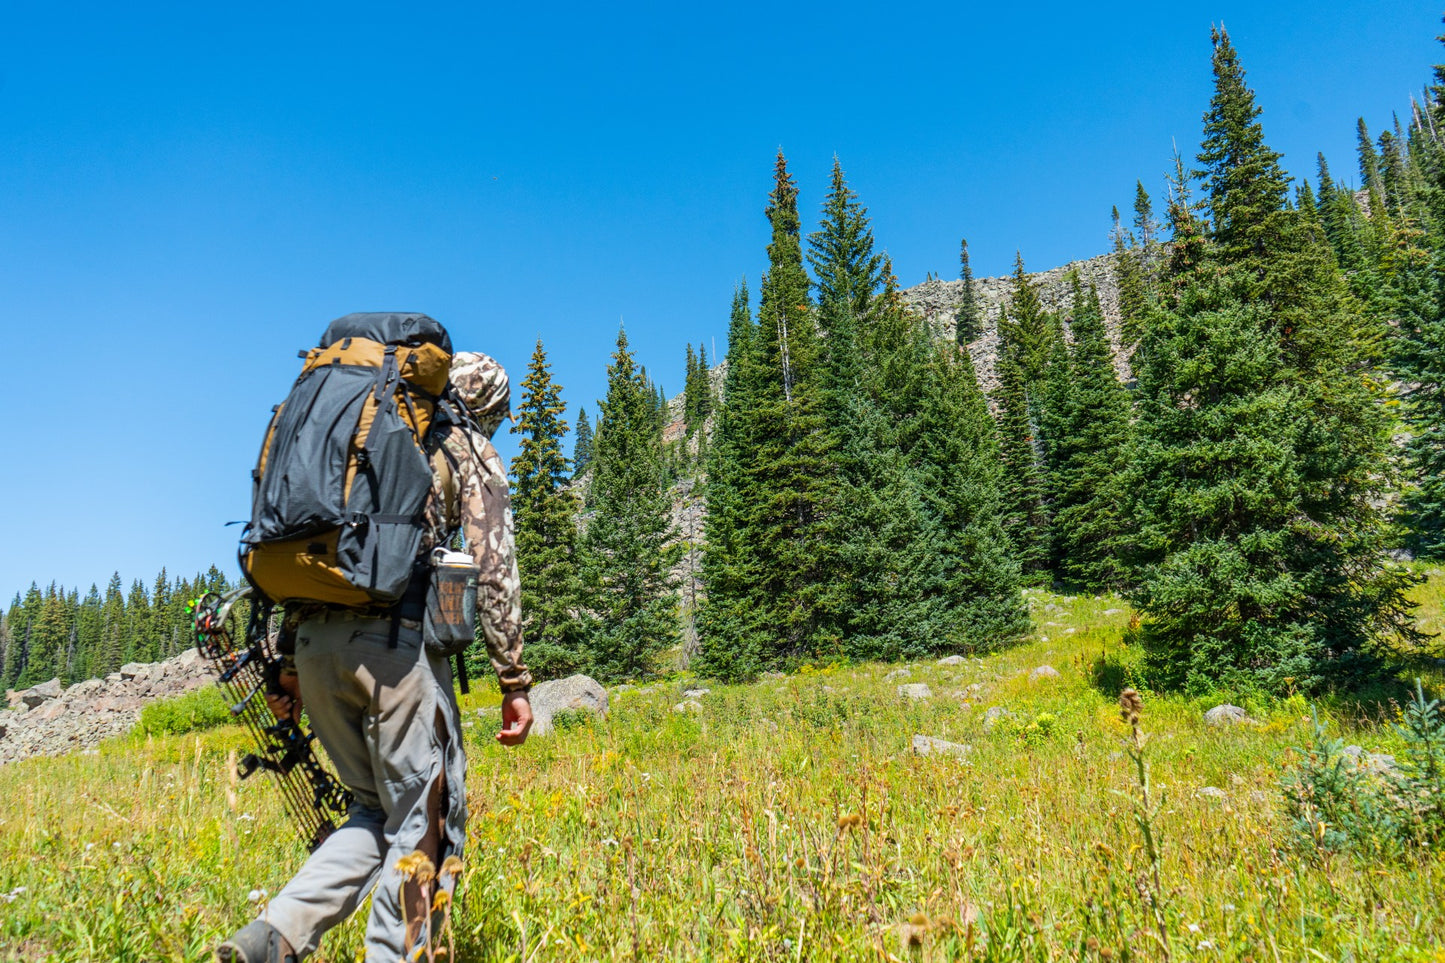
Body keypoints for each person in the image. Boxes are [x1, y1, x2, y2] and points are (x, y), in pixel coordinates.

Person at [217, 351, 533, 963]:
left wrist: (287, 664)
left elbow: (311, 547)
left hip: (312, 644)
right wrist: (513, 677)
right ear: (486, 407)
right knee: (425, 825)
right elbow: (492, 562)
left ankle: (274, 936)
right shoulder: (462, 440)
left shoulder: (358, 430)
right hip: (397, 648)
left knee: (373, 810)